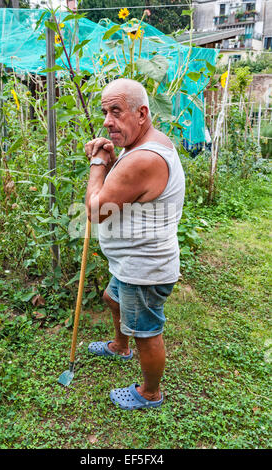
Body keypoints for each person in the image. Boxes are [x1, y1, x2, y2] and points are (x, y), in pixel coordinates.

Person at [84, 78, 185, 410]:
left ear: (142, 113)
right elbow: (127, 190)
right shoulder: (145, 145)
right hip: (132, 262)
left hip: (145, 269)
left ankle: (150, 393)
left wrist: (98, 163)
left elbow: (98, 210)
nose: (107, 121)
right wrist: (112, 160)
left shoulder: (143, 158)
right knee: (112, 298)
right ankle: (119, 345)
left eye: (116, 111)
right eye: (105, 112)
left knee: (147, 332)